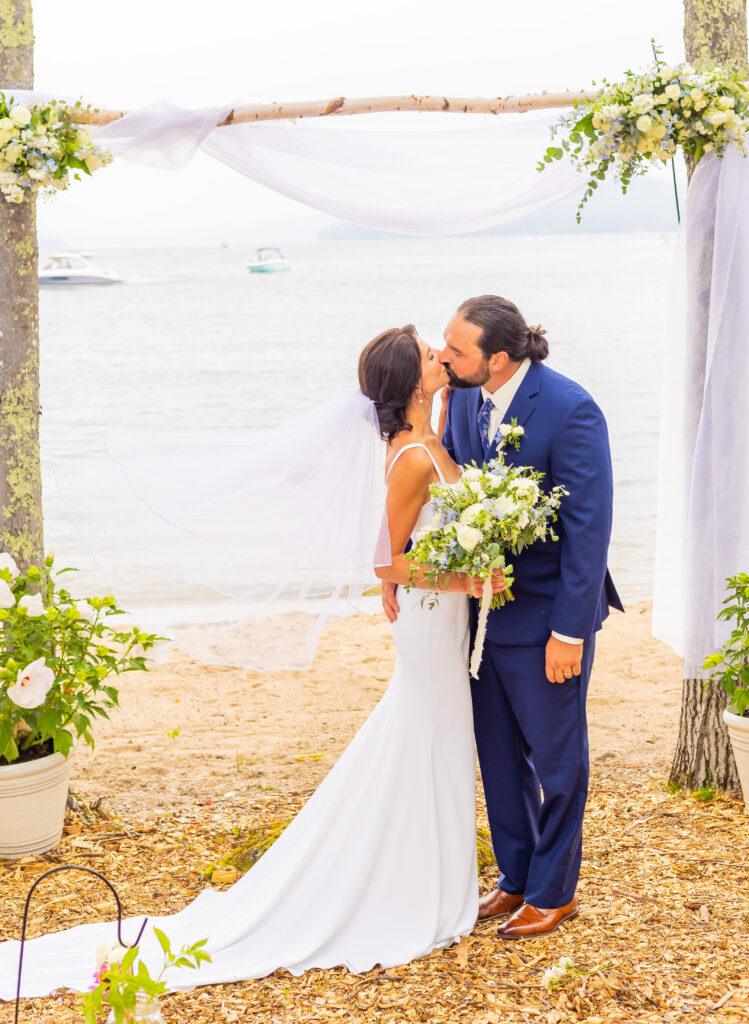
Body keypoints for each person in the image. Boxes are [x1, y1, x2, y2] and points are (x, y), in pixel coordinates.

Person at [0, 325, 506, 999]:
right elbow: (385, 560)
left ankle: (435, 880)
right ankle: (416, 890)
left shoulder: (431, 434)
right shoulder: (410, 455)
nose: (440, 360)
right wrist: (467, 580)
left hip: (439, 621)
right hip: (427, 621)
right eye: (427, 358)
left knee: (434, 738)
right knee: (427, 733)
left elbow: (409, 545)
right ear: (411, 382)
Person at [383, 295, 623, 939]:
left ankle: (552, 892)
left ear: (499, 358)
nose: (445, 357)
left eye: (455, 349)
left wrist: (568, 631)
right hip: (475, 616)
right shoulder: (460, 396)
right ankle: (514, 877)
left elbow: (588, 530)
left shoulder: (571, 409)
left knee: (557, 760)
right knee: (496, 756)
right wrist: (400, 568)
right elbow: (445, 492)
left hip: (548, 621)